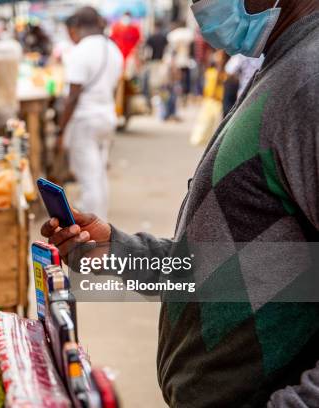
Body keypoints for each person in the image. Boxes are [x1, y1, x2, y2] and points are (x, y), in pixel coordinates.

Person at [42, 0, 319, 406]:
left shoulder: (309, 79)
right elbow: (226, 265)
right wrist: (118, 252)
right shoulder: (280, 66)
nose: (198, 5)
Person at [59, 7, 123, 220]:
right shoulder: (112, 49)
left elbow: (73, 96)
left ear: (76, 26)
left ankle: (91, 227)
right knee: (99, 175)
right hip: (107, 117)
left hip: (85, 120)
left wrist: (61, 129)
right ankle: (101, 223)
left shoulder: (80, 51)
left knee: (89, 179)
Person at [166, 21, 194, 104]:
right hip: (186, 60)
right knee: (186, 79)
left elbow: (172, 51)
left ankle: (179, 95)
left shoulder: (174, 35)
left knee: (178, 80)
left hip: (177, 61)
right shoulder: (188, 34)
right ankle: (185, 95)